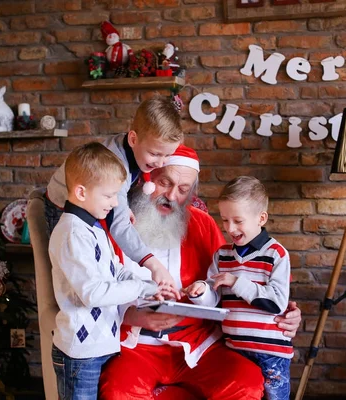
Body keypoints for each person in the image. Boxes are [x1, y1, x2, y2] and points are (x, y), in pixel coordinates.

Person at [99, 146, 302, 400]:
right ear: (147, 180)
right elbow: (91, 290)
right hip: (135, 345)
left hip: (199, 346)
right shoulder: (116, 226)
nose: (172, 196)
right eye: (164, 182)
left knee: (246, 384)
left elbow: (252, 278)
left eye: (183, 190)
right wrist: (133, 316)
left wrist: (286, 311)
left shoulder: (203, 224)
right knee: (118, 392)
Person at [49, 143, 173, 400]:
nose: (116, 203)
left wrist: (151, 287)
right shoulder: (72, 233)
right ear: (81, 192)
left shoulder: (93, 228)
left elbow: (113, 271)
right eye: (108, 196)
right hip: (80, 353)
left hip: (101, 344)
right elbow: (93, 293)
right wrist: (141, 287)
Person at [45, 96, 183, 290]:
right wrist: (153, 264)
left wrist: (122, 204)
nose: (160, 163)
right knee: (73, 274)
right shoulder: (118, 162)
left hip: (87, 205)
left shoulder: (129, 145)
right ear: (133, 138)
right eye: (155, 154)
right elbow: (119, 226)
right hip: (61, 206)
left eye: (167, 155)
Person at [186, 176, 293, 400]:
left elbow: (276, 302)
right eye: (225, 220)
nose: (230, 228)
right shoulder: (222, 255)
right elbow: (214, 297)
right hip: (233, 349)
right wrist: (202, 290)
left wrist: (236, 282)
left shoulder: (276, 254)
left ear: (261, 218)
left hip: (270, 354)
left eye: (238, 220)